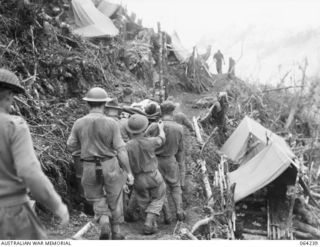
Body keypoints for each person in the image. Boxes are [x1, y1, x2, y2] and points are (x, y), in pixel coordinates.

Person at [0, 68, 69, 239]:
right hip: (10, 214)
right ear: (8, 94)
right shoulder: (13, 126)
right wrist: (56, 205)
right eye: (12, 97)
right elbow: (29, 172)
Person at [67, 87, 134, 240]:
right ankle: (116, 232)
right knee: (115, 197)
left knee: (97, 197)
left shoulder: (79, 122)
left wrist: (86, 147)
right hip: (110, 165)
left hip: (89, 166)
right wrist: (129, 172)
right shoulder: (112, 123)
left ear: (87, 104)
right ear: (104, 104)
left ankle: (104, 221)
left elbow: (71, 145)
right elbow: (121, 150)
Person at [125, 114, 167, 235]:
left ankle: (151, 223)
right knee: (159, 196)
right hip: (153, 175)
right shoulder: (150, 142)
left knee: (143, 199)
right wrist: (161, 128)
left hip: (138, 179)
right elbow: (162, 139)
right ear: (144, 128)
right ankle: (149, 222)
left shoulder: (127, 146)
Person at [147, 101, 186, 223]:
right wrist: (181, 167)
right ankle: (179, 211)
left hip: (155, 161)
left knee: (159, 188)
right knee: (175, 186)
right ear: (172, 112)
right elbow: (180, 151)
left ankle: (167, 215)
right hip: (171, 161)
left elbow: (144, 143)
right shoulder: (179, 128)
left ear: (161, 112)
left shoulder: (153, 126)